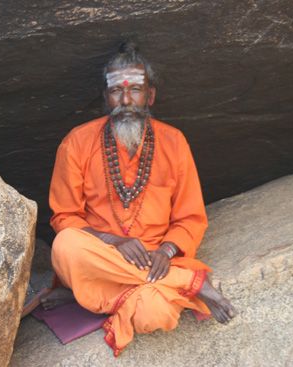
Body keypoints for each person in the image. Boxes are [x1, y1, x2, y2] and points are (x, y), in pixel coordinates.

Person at [41, 42, 236, 357]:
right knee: (65, 244)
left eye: (136, 90)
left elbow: (191, 217)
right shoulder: (77, 142)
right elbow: (64, 217)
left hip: (156, 258)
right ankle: (188, 281)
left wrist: (167, 249)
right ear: (106, 98)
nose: (126, 100)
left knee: (154, 315)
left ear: (151, 96)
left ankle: (84, 297)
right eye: (116, 91)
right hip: (96, 254)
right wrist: (113, 241)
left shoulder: (174, 141)